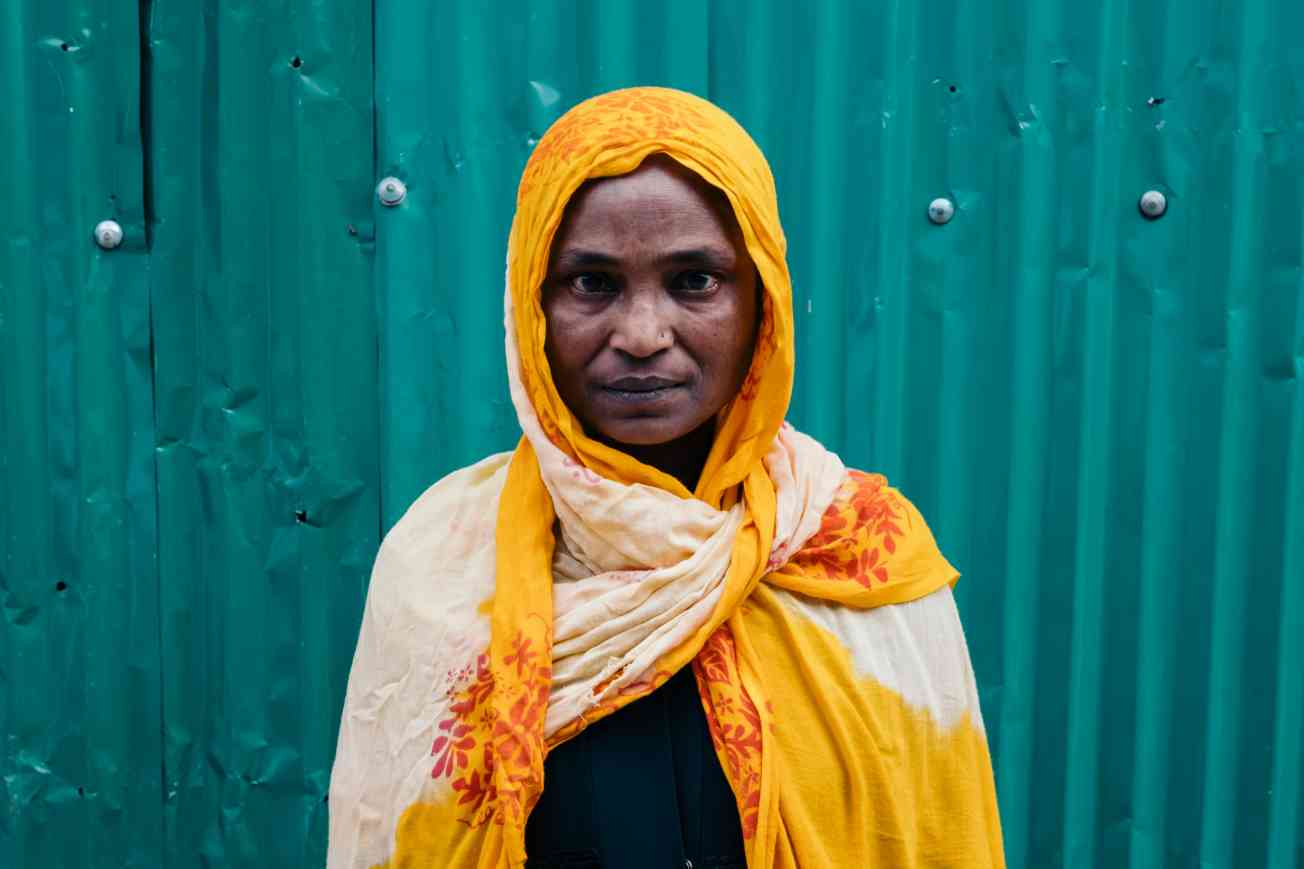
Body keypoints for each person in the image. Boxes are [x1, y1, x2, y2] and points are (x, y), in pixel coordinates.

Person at [328, 87, 1004, 869]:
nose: (643, 335)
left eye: (695, 281)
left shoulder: (857, 552)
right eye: (591, 282)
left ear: (764, 302)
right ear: (531, 304)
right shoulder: (441, 567)